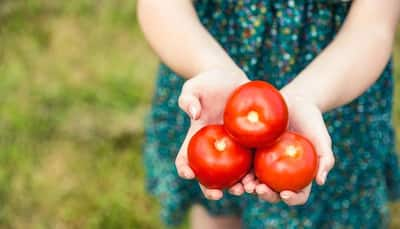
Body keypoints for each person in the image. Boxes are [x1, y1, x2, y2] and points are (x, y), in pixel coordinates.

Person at [138, 0, 400, 228]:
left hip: (334, 87)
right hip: (209, 73)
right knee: (216, 209)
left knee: (331, 214)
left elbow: (374, 25)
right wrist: (211, 66)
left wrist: (308, 96)